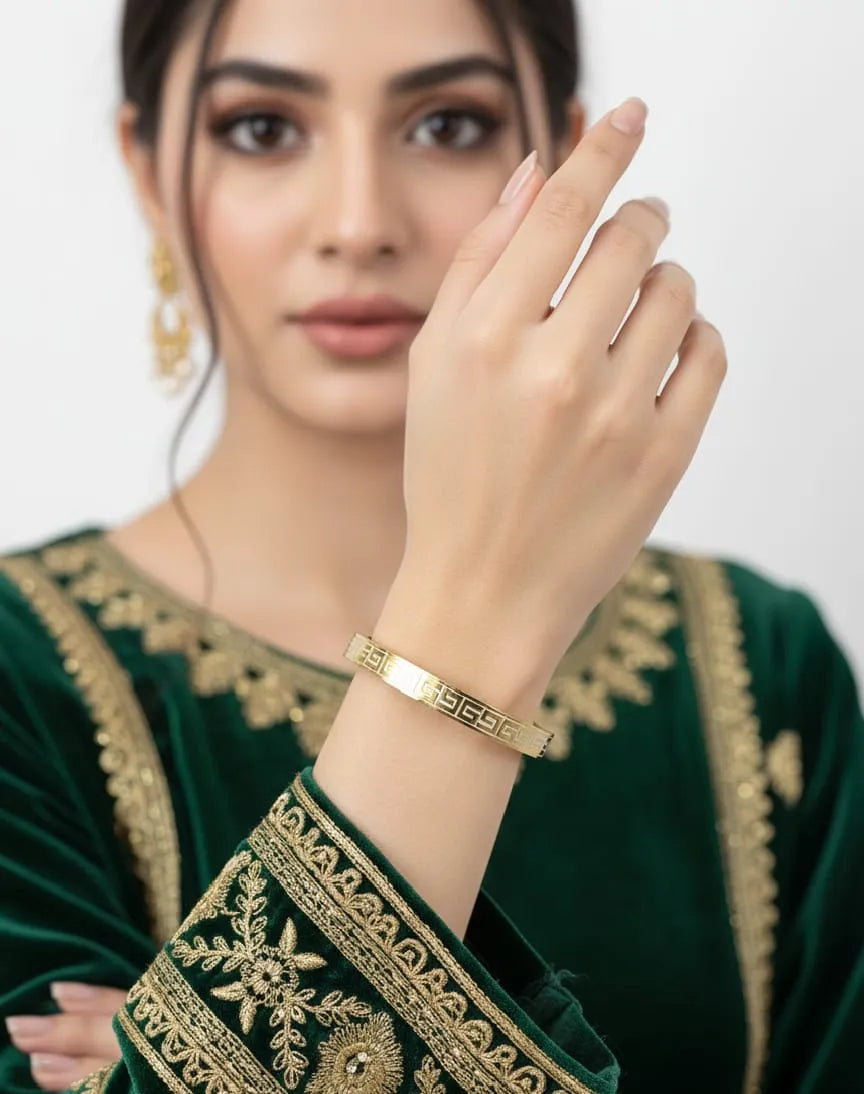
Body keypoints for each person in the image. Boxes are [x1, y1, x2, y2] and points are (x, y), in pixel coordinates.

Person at [1, 1, 862, 1092]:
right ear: (147, 166)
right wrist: (475, 625)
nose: (359, 222)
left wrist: (214, 1050)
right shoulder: (19, 676)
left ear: (558, 157)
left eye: (448, 125)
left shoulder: (758, 664)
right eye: (262, 129)